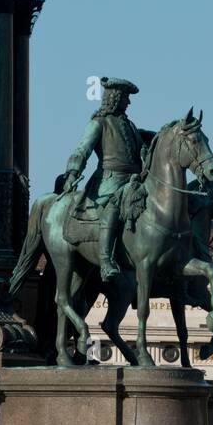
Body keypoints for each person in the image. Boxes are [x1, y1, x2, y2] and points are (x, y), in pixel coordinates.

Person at [62, 78, 154, 281]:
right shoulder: (99, 122)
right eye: (126, 98)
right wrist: (72, 173)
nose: (128, 103)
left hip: (134, 180)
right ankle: (105, 261)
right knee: (113, 206)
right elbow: (82, 149)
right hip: (110, 180)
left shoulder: (128, 125)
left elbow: (137, 146)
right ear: (115, 98)